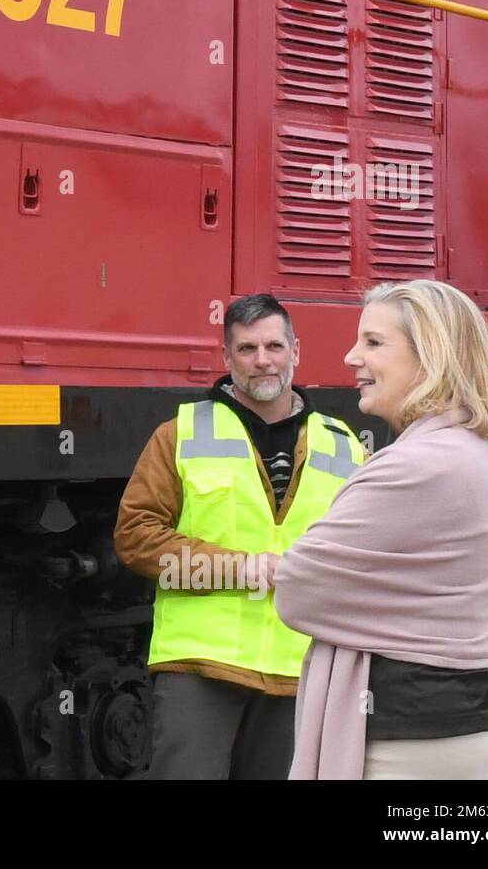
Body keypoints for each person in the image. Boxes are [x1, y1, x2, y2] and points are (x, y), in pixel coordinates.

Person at [274, 280, 488, 780]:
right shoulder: (470, 452)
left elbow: (297, 592)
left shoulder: (415, 466)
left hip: (411, 742)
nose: (351, 357)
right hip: (463, 725)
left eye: (373, 342)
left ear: (430, 358)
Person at [113, 293, 364, 779]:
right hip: (202, 668)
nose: (262, 360)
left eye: (274, 345)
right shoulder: (180, 434)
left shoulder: (345, 445)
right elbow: (136, 538)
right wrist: (243, 568)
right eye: (247, 349)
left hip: (302, 667)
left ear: (296, 351)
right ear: (226, 358)